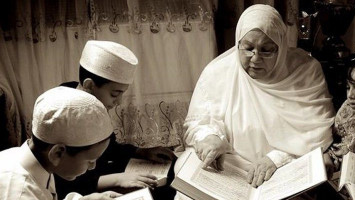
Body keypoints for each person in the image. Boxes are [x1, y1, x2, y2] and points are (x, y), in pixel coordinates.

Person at [180, 4, 335, 188]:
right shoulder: (218, 72)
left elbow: (317, 133)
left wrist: (277, 159)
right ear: (238, 43)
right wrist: (212, 138)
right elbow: (197, 123)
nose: (255, 58)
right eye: (248, 48)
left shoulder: (305, 71)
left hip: (282, 171)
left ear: (281, 47)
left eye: (266, 50)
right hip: (231, 168)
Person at [56, 40, 176, 199]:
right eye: (114, 94)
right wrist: (117, 179)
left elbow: (108, 148)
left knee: (170, 172)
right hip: (80, 188)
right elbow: (63, 179)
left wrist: (140, 151)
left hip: (101, 174)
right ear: (89, 86)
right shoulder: (63, 112)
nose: (118, 101)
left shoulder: (94, 102)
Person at [0, 86, 121, 200]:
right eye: (90, 160)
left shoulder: (37, 163)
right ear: (57, 153)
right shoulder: (19, 194)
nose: (92, 167)